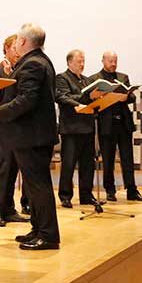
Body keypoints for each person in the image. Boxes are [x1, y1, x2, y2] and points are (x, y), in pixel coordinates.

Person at [0, 23, 60, 250]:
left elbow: (27, 100)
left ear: (24, 42)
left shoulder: (32, 65)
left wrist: (0, 110)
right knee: (35, 184)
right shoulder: (40, 61)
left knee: (38, 186)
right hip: (34, 135)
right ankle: (38, 229)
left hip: (31, 136)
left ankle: (47, 235)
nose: (16, 42)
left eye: (18, 39)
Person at [88, 51, 142, 202]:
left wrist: (126, 97)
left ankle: (132, 190)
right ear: (103, 61)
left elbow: (132, 96)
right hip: (106, 124)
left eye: (115, 61)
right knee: (108, 160)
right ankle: (110, 190)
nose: (113, 64)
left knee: (127, 158)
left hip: (123, 123)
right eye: (110, 61)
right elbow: (91, 102)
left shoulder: (123, 77)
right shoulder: (95, 79)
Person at [0, 35, 30, 226]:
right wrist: (8, 106)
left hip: (14, 127)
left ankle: (9, 209)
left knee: (13, 168)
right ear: (6, 48)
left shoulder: (18, 70)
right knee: (2, 169)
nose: (17, 51)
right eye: (14, 47)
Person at [54, 49, 97, 208]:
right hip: (71, 129)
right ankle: (65, 195)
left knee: (88, 164)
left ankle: (86, 195)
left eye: (83, 61)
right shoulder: (62, 78)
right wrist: (84, 99)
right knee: (68, 164)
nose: (82, 64)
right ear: (69, 62)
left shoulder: (86, 80)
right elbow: (62, 97)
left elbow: (87, 98)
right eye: (79, 61)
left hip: (87, 127)